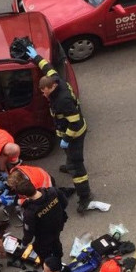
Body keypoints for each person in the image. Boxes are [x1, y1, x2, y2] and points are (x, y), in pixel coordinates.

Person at [25, 45, 94, 214]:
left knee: (77, 167)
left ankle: (85, 197)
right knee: (69, 155)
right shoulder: (55, 79)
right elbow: (47, 67)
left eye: (45, 91)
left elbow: (76, 123)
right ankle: (69, 165)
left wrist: (67, 139)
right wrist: (36, 57)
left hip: (75, 134)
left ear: (52, 87)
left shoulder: (63, 100)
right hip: (65, 131)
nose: (44, 94)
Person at [13, 180, 68, 261]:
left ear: (24, 196)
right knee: (56, 241)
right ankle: (58, 257)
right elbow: (64, 203)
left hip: (44, 235)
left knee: (41, 250)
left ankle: (49, 265)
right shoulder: (53, 191)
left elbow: (29, 233)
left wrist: (24, 244)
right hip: (58, 225)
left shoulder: (30, 213)